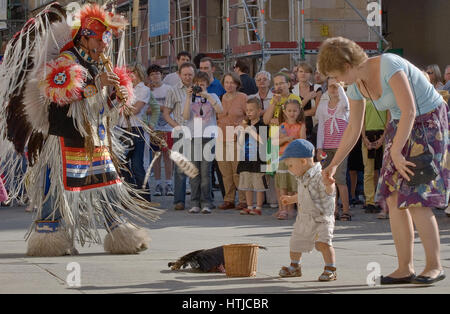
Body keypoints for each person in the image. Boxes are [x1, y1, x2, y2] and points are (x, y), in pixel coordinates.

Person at [0, 3, 162, 256]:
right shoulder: (64, 61)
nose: (105, 46)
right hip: (64, 139)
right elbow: (59, 97)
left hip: (94, 138)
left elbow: (97, 107)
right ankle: (50, 238)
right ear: (85, 38)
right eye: (100, 39)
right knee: (56, 189)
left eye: (107, 40)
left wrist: (115, 99)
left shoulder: (98, 64)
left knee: (109, 184)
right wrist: (96, 85)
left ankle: (120, 233)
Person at [318, 37, 448, 284]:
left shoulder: (389, 64)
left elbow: (410, 109)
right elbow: (354, 128)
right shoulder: (356, 85)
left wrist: (397, 151)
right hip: (400, 125)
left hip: (428, 121)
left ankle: (434, 265)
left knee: (417, 197)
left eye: (336, 75)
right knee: (393, 196)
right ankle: (404, 267)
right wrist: (333, 163)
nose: (337, 81)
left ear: (347, 64)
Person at [278, 139, 337, 282]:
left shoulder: (320, 176)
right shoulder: (301, 177)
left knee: (323, 243)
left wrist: (329, 185)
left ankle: (330, 268)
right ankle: (295, 266)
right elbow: (305, 194)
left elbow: (329, 191)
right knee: (296, 242)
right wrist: (292, 199)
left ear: (303, 162)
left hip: (321, 218)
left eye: (291, 165)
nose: (289, 169)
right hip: (304, 218)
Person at [183, 71, 223, 214]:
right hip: (194, 137)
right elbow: (186, 116)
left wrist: (207, 96)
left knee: (206, 173)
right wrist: (188, 97)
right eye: (197, 85)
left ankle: (207, 202)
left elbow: (220, 110)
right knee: (194, 172)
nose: (199, 87)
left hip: (208, 137)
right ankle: (194, 202)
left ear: (207, 86)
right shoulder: (189, 97)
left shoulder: (212, 96)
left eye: (202, 85)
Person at [316, 78, 351, 221]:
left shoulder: (343, 104)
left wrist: (340, 87)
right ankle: (333, 208)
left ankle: (346, 210)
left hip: (340, 148)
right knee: (328, 179)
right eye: (330, 86)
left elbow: (347, 104)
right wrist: (319, 148)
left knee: (340, 179)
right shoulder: (324, 106)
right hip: (327, 147)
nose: (333, 88)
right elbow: (321, 128)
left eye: (335, 86)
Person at [162, 62, 197, 211]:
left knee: (196, 167)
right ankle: (179, 200)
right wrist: (176, 126)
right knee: (180, 168)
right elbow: (166, 113)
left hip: (198, 132)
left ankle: (196, 200)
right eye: (185, 74)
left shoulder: (199, 88)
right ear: (179, 75)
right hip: (181, 132)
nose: (188, 77)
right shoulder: (173, 90)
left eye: (190, 74)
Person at [119, 63, 152, 201]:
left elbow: (135, 110)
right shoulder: (123, 88)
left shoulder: (143, 89)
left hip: (135, 128)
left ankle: (144, 197)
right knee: (122, 163)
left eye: (131, 72)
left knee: (137, 164)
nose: (129, 75)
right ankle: (129, 196)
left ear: (138, 73)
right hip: (121, 128)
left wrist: (122, 105)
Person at [216, 72, 248, 210]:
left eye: (232, 82)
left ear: (237, 84)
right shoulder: (220, 98)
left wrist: (242, 127)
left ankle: (242, 199)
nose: (229, 85)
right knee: (225, 171)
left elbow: (249, 115)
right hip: (221, 137)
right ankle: (228, 199)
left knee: (237, 170)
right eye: (226, 82)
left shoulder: (243, 97)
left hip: (236, 138)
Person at [273, 99, 306, 220]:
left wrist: (294, 141)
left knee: (295, 184)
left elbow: (303, 141)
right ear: (285, 111)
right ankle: (283, 209)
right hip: (282, 157)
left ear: (299, 111)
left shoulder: (301, 125)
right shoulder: (281, 126)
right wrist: (287, 138)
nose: (292, 113)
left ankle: (294, 209)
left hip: (295, 159)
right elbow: (274, 142)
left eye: (295, 110)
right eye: (289, 110)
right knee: (283, 184)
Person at [237, 97, 268, 216]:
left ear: (259, 110)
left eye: (251, 110)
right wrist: (243, 131)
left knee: (258, 184)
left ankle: (258, 206)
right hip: (245, 158)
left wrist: (251, 131)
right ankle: (249, 206)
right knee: (247, 184)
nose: (248, 112)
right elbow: (240, 142)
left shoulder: (262, 124)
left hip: (258, 159)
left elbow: (262, 140)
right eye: (247, 110)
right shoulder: (245, 125)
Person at [147, 64, 174, 197]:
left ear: (162, 75)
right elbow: (145, 109)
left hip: (168, 127)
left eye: (157, 73)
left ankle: (169, 183)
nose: (155, 76)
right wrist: (159, 109)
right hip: (154, 128)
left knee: (168, 157)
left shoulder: (169, 89)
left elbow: (172, 106)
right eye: (152, 74)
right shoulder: (148, 91)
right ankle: (158, 184)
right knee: (156, 157)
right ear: (149, 77)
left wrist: (159, 108)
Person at [250, 71, 276, 208]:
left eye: (265, 79)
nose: (262, 81)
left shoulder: (274, 98)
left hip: (271, 134)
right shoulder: (251, 97)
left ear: (269, 81)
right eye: (259, 79)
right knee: (257, 167)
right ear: (255, 82)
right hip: (256, 135)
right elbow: (249, 113)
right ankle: (258, 198)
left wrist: (262, 114)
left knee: (270, 167)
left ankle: (272, 199)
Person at [362, 98, 390, 217]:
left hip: (382, 137)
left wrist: (383, 137)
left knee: (381, 170)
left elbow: (389, 118)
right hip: (367, 136)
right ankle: (370, 201)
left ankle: (380, 199)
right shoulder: (363, 97)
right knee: (368, 171)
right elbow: (361, 120)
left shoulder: (384, 96)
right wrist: (364, 138)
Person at [292, 62, 323, 147]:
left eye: (306, 71)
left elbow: (316, 111)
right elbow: (292, 110)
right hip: (296, 127)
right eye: (301, 71)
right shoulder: (292, 90)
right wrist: (307, 98)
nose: (303, 74)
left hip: (313, 127)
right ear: (297, 74)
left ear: (310, 74)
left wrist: (298, 113)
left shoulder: (317, 88)